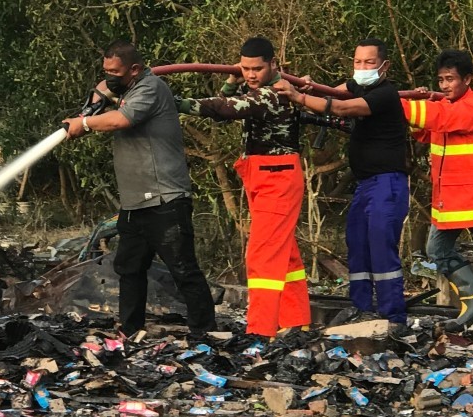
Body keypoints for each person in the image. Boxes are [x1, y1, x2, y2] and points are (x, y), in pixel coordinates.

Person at [62, 43, 217, 338]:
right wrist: (95, 100)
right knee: (129, 268)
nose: (110, 78)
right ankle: (131, 330)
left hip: (164, 199)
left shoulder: (151, 87)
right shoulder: (128, 89)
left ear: (134, 70)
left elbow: (122, 120)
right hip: (135, 203)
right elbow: (101, 90)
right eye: (106, 71)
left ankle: (206, 333)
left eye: (115, 72)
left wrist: (84, 122)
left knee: (183, 269)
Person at [175, 35, 310, 338]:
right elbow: (228, 107)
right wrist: (231, 82)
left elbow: (224, 109)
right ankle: (297, 320)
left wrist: (172, 102)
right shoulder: (259, 89)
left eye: (257, 69)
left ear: (273, 65)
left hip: (277, 177)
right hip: (262, 175)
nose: (251, 75)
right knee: (284, 252)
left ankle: (260, 332)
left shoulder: (273, 95)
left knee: (262, 256)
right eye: (245, 68)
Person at [273, 40, 410, 328]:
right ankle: (361, 309)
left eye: (368, 63)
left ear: (384, 66)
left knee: (381, 248)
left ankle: (392, 317)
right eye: (357, 62)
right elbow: (334, 93)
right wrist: (310, 86)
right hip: (365, 184)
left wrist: (298, 96)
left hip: (387, 183)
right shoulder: (359, 86)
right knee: (358, 244)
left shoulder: (385, 94)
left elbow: (343, 108)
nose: (361, 68)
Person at [400, 48, 473, 330]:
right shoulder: (445, 107)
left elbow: (439, 119)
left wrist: (396, 103)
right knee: (437, 251)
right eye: (441, 80)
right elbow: (425, 129)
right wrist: (416, 102)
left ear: (467, 79)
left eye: (450, 79)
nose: (445, 85)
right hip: (448, 197)